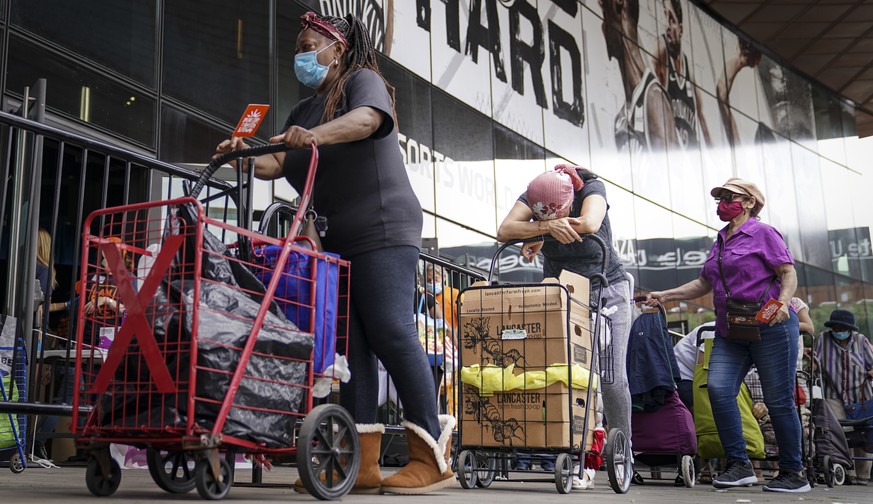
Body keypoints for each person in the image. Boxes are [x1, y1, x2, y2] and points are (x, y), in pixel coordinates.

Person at [214, 11, 453, 494]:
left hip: (383, 226)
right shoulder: (302, 111)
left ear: (336, 47)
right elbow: (277, 159)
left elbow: (369, 121)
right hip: (337, 241)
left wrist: (316, 136)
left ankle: (433, 451)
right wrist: (238, 153)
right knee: (355, 345)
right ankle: (359, 464)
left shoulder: (362, 82)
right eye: (297, 49)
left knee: (389, 328)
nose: (302, 55)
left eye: (308, 45)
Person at [645, 178, 809, 493]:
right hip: (731, 329)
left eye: (729, 196)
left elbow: (787, 272)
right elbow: (703, 283)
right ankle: (739, 465)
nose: (722, 202)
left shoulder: (763, 233)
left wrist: (783, 302)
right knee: (717, 388)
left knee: (777, 401)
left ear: (749, 202)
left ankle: (794, 472)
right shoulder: (721, 239)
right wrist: (666, 294)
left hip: (770, 325)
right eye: (719, 197)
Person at [497, 164, 633, 477]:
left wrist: (541, 228)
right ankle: (574, 450)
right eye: (541, 214)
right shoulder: (534, 196)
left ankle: (623, 452)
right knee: (567, 374)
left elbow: (589, 222)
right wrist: (546, 228)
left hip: (607, 287)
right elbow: (505, 230)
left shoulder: (591, 188)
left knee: (610, 377)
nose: (549, 219)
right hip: (564, 292)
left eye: (558, 213)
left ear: (572, 197)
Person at [599, 0, 679, 154]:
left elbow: (675, 175)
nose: (603, 27)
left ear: (618, 3)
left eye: (604, 14)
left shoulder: (653, 99)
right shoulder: (621, 118)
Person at [814, 308, 873, 485]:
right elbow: (815, 364)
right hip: (834, 394)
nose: (839, 332)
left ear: (850, 329)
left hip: (861, 395)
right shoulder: (823, 339)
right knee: (839, 431)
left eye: (842, 328)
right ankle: (847, 472)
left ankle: (863, 475)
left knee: (863, 433)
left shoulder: (861, 341)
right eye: (836, 328)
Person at [652, 0, 712, 149]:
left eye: (671, 19)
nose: (667, 26)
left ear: (681, 28)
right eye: (665, 17)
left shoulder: (688, 69)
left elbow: (702, 118)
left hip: (691, 159)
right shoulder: (662, 49)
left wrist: (713, 153)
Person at [672, 321, 716, 415]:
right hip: (682, 374)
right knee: (699, 411)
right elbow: (703, 368)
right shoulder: (710, 330)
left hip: (694, 374)